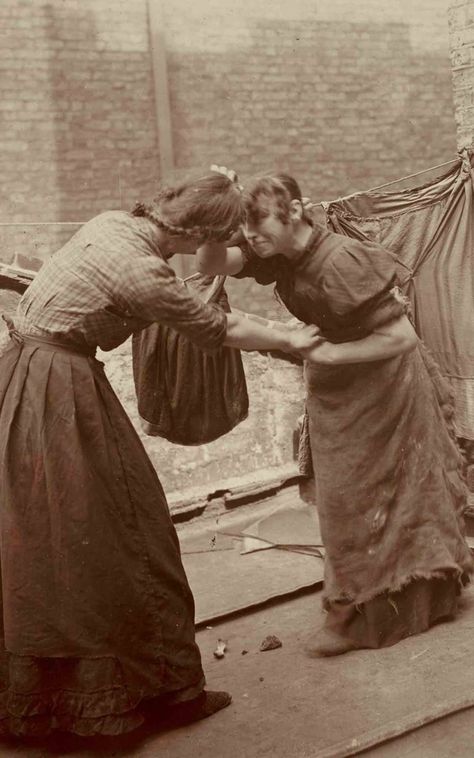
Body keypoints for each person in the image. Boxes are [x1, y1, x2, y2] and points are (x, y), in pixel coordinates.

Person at [0, 171, 319, 737]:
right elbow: (214, 325)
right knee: (133, 533)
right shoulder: (141, 271)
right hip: (57, 388)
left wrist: (220, 191)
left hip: (22, 378)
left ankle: (56, 699)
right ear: (202, 233)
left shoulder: (114, 226)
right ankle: (163, 695)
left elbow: (196, 274)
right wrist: (296, 340)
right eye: (227, 234)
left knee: (46, 538)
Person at [197, 170, 473, 656]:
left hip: (388, 384)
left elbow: (402, 338)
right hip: (340, 388)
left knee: (385, 495)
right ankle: (366, 604)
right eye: (248, 229)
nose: (253, 238)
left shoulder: (341, 261)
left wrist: (319, 356)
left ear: (296, 212)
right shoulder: (276, 252)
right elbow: (213, 259)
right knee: (344, 500)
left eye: (260, 226)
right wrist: (214, 217)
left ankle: (371, 612)